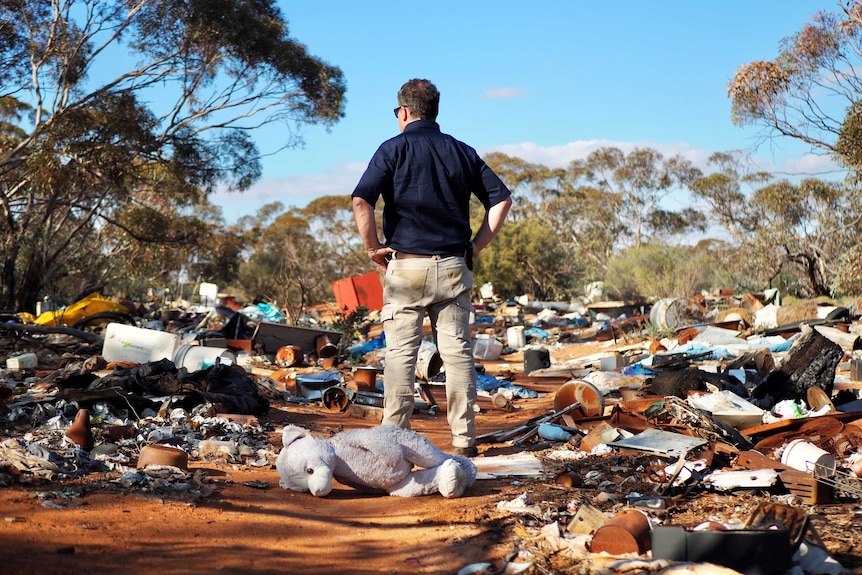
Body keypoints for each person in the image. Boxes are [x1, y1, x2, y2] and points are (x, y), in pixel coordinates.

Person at [351, 78, 512, 457]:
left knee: (401, 355)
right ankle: (463, 439)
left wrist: (374, 248)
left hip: (406, 267)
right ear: (434, 111)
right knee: (457, 354)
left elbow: (362, 201)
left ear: (403, 112)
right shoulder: (461, 151)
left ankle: (393, 438)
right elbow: (501, 200)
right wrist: (475, 246)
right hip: (453, 267)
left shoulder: (392, 150)